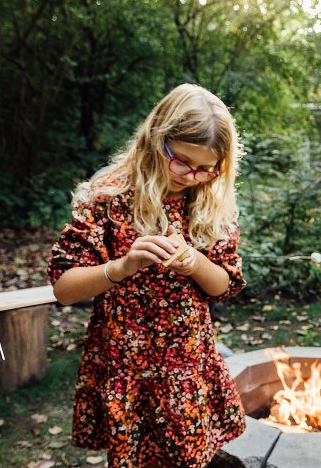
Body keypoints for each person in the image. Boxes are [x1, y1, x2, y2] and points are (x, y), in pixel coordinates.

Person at [48, 84, 246, 468]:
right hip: (127, 365)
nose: (192, 176)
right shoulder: (108, 198)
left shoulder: (209, 203)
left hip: (187, 365)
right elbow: (64, 289)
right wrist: (122, 267)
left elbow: (223, 286)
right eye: (182, 161)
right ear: (158, 138)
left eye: (207, 168)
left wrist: (195, 263)